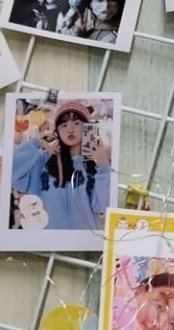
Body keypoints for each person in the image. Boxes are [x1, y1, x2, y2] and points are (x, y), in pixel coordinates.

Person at [14, 98, 110, 234]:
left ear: (87, 128)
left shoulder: (95, 164)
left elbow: (102, 206)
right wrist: (37, 144)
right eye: (63, 125)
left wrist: (104, 166)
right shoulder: (42, 160)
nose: (70, 129)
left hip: (85, 240)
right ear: (57, 131)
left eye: (77, 123)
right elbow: (12, 175)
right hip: (47, 239)